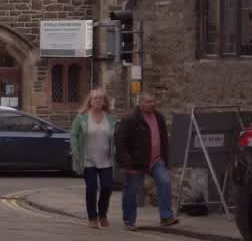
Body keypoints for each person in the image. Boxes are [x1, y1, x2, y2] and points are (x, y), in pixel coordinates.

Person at [116, 92, 179, 231]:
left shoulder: (159, 117)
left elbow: (163, 139)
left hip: (156, 160)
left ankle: (166, 216)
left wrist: (164, 157)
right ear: (141, 103)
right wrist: (126, 161)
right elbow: (120, 142)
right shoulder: (130, 119)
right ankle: (129, 220)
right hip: (136, 162)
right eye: (148, 102)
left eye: (153, 101)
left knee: (165, 182)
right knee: (132, 191)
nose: (152, 104)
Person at [70, 89, 117, 229]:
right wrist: (76, 152)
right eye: (95, 98)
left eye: (101, 99)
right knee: (91, 188)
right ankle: (92, 217)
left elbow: (116, 136)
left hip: (106, 159)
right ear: (90, 101)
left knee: (107, 187)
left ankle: (102, 214)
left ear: (104, 102)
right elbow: (73, 135)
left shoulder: (111, 118)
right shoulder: (82, 117)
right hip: (88, 159)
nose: (98, 101)